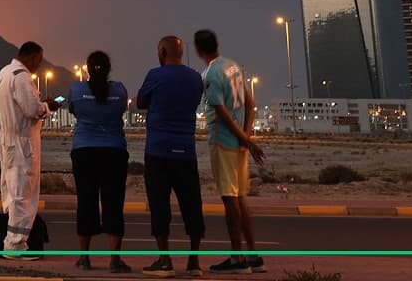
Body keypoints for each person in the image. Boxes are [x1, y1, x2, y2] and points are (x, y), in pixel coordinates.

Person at [194, 28, 267, 274]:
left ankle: (237, 258)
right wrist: (246, 138)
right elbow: (251, 102)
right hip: (238, 144)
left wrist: (243, 138)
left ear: (198, 50)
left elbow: (221, 112)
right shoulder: (233, 66)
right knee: (241, 197)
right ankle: (253, 254)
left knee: (230, 199)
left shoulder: (211, 73)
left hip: (223, 142)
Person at [136, 36, 206, 278]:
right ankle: (194, 262)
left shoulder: (155, 75)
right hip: (186, 151)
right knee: (192, 205)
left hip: (158, 151)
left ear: (162, 52)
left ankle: (165, 261)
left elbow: (140, 102)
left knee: (159, 205)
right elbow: (195, 102)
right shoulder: (196, 77)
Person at [0, 41, 60, 258]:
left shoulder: (4, 73)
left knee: (12, 194)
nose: (38, 67)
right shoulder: (21, 77)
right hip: (23, 144)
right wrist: (48, 107)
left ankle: (11, 240)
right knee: (23, 195)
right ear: (31, 58)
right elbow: (32, 109)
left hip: (8, 141)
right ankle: (15, 246)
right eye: (38, 62)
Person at [68, 50, 132, 273]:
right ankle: (115, 260)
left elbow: (73, 109)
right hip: (114, 152)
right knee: (114, 204)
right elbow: (122, 108)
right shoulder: (120, 90)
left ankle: (84, 258)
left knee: (86, 202)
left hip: (84, 151)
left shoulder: (77, 90)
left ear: (87, 68)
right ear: (108, 69)